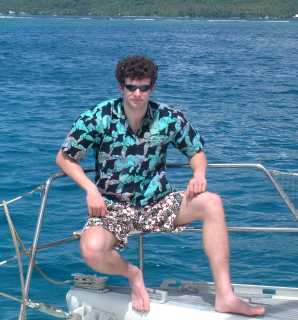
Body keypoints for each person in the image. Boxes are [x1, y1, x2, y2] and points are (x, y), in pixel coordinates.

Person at [56, 55, 265, 316]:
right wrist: (90, 190)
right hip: (112, 207)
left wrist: (198, 174)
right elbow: (64, 157)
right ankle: (133, 275)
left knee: (212, 202)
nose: (137, 94)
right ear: (121, 87)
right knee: (92, 250)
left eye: (143, 87)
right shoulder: (99, 116)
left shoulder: (168, 117)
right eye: (131, 87)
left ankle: (226, 296)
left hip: (158, 202)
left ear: (151, 88)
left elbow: (196, 151)